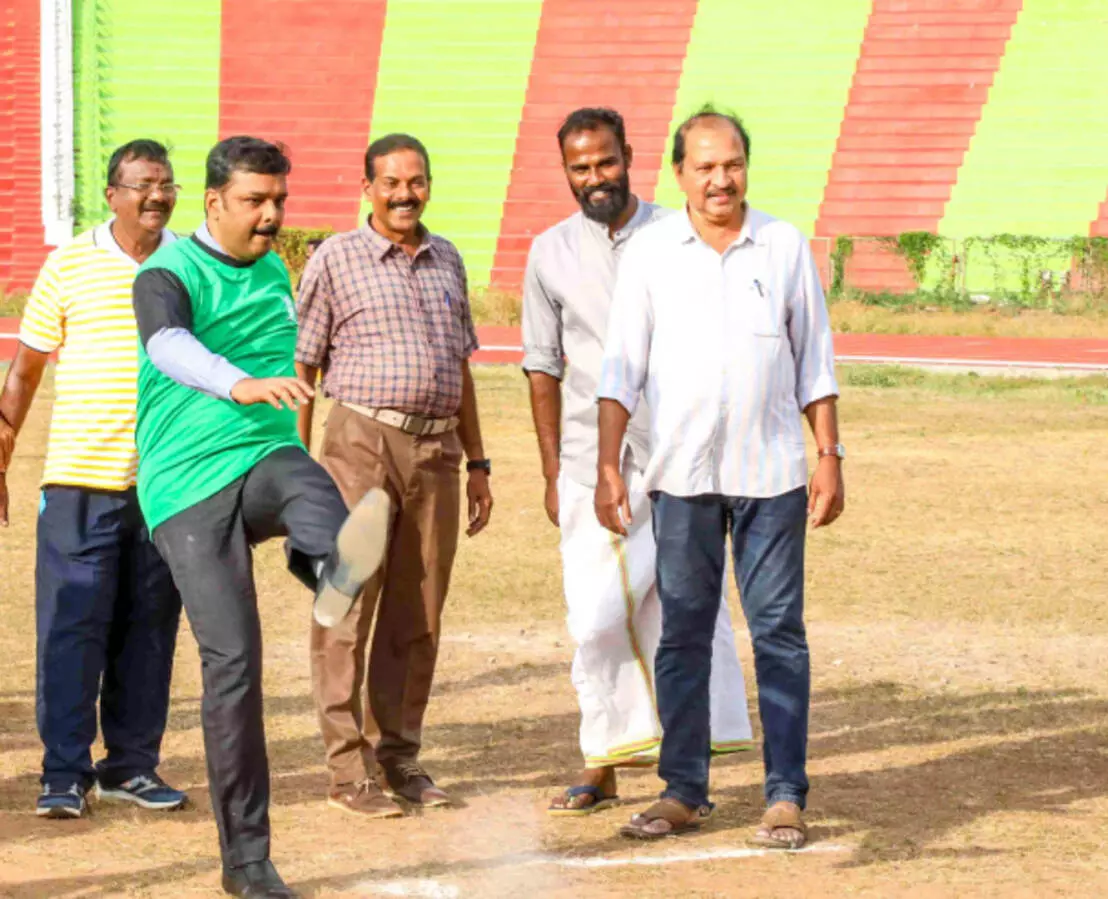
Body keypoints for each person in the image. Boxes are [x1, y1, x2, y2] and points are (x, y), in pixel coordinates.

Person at [132, 136, 392, 899]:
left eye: (279, 198)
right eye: (255, 200)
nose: (272, 214)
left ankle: (325, 568)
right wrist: (236, 382)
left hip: (259, 461)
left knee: (313, 486)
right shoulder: (168, 271)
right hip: (183, 487)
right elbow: (166, 342)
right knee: (235, 668)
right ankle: (246, 862)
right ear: (214, 203)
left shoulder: (277, 268)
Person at [596, 106, 845, 849]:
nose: (720, 179)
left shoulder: (783, 245)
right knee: (683, 635)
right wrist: (608, 463)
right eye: (704, 166)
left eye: (731, 163)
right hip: (680, 475)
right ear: (679, 174)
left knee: (778, 633)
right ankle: (682, 788)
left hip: (772, 475)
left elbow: (815, 360)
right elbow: (619, 368)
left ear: (746, 166)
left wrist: (828, 453)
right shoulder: (649, 254)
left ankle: (785, 794)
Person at [520, 107, 753, 816]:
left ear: (631, 155)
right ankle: (604, 754)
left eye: (607, 162)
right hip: (593, 459)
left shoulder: (675, 235)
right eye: (580, 167)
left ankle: (690, 753)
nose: (595, 177)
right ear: (566, 170)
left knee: (687, 607)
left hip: (683, 455)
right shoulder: (549, 252)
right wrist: (554, 471)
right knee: (595, 614)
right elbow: (541, 368)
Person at [294, 133, 491, 818]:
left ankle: (398, 754)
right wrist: (297, 470)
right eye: (390, 182)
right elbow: (303, 368)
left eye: (416, 181)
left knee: (420, 608)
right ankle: (349, 768)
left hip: (437, 453)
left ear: (428, 185)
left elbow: (459, 367)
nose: (404, 194)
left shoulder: (448, 260)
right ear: (368, 187)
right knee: (345, 603)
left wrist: (480, 460)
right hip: (360, 444)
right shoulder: (336, 259)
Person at [0, 139, 186, 820]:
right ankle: (64, 772)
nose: (157, 196)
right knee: (71, 628)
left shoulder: (187, 264)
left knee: (149, 629)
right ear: (113, 194)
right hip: (79, 481)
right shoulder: (71, 263)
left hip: (165, 484)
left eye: (166, 184)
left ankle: (131, 766)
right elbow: (25, 369)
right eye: (142, 185)